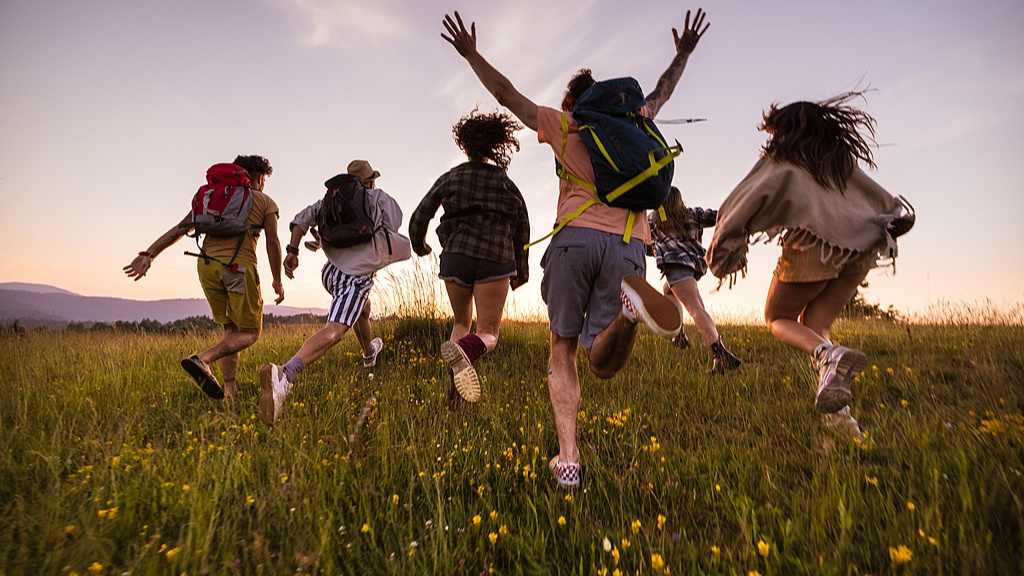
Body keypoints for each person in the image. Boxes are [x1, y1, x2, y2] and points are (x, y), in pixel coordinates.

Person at [442, 8, 710, 487]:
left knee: (562, 348)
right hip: (629, 245)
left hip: (574, 242)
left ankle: (569, 458)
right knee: (601, 363)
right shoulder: (637, 120)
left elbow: (507, 96)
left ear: (573, 103)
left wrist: (471, 55)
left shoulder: (566, 125)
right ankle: (628, 312)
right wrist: (683, 53)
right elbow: (664, 90)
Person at [707, 93, 915, 436]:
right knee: (816, 326)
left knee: (777, 318)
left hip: (814, 247)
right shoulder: (840, 161)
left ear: (785, 130)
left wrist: (723, 246)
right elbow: (880, 200)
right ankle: (840, 419)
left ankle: (828, 358)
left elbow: (744, 199)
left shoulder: (783, 159)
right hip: (860, 249)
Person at [259, 160, 411, 426]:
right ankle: (284, 375)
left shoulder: (327, 202)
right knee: (336, 330)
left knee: (362, 310)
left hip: (331, 273)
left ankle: (369, 355)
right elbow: (391, 229)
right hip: (356, 276)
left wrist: (293, 252)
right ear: (370, 180)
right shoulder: (378, 198)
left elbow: (299, 221)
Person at [122, 155, 284, 402]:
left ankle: (230, 393)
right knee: (250, 333)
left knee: (230, 330)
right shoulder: (264, 201)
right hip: (238, 268)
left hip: (206, 267)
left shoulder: (211, 199)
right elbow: (272, 242)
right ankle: (202, 359)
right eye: (264, 179)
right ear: (258, 177)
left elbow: (180, 228)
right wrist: (277, 279)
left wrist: (149, 254)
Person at [409, 110, 531, 405]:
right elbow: (522, 227)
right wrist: (520, 270)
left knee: (461, 323)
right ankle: (468, 352)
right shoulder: (506, 183)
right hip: (494, 259)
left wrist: (420, 245)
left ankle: (456, 396)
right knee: (488, 333)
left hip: (456, 256)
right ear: (494, 146)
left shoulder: (452, 177)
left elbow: (420, 215)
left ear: (465, 145)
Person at [649, 186, 741, 373]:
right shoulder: (693, 214)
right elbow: (720, 216)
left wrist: (659, 248)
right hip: (692, 267)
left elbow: (645, 246)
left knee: (696, 309)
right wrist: (740, 213)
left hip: (676, 267)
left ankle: (720, 354)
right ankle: (679, 334)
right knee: (668, 290)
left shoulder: (654, 221)